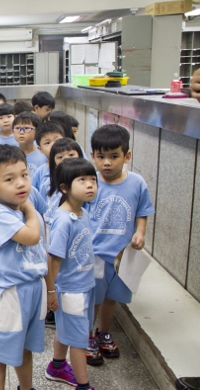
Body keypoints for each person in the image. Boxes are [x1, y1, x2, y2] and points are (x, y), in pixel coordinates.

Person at [0, 145, 48, 390]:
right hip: (9, 293)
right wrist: (29, 208)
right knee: (0, 354)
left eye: (24, 175)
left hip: (33, 287)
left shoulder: (21, 206)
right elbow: (32, 237)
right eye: (10, 179)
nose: (21, 183)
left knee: (25, 349)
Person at [85, 124, 155, 366]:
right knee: (93, 298)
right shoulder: (89, 182)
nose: (107, 162)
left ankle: (103, 332)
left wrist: (141, 233)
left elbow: (142, 212)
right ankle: (86, 336)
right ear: (92, 155)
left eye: (114, 156)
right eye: (101, 156)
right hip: (95, 255)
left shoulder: (137, 183)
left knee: (111, 298)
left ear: (127, 156)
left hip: (122, 256)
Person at [45, 158, 98, 390]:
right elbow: (53, 259)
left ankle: (57, 366)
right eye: (82, 180)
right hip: (70, 290)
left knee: (68, 329)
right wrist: (51, 291)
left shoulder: (82, 213)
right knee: (79, 340)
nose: (90, 185)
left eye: (93, 180)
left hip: (84, 285)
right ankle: (83, 385)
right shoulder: (64, 220)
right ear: (65, 188)